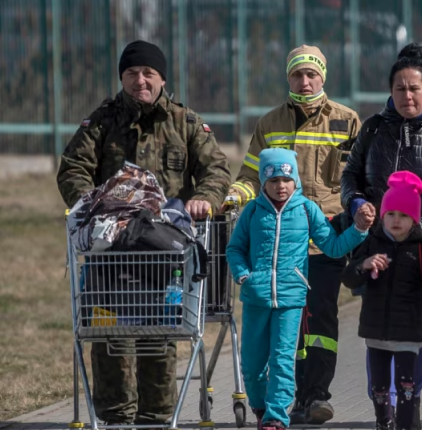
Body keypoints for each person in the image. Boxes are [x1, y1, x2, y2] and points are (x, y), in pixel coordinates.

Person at [56, 40, 232, 426]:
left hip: (163, 250)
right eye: (132, 73)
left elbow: (217, 170)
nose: (140, 80)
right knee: (108, 331)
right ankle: (115, 417)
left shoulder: (185, 123)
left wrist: (203, 198)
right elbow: (72, 168)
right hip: (110, 247)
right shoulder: (103, 121)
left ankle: (156, 417)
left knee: (160, 331)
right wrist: (92, 203)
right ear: (122, 77)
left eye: (148, 73)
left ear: (162, 78)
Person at [227, 44, 362, 425]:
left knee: (320, 322)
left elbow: (359, 179)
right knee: (286, 331)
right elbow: (251, 175)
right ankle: (290, 398)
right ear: (288, 77)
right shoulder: (269, 124)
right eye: (297, 75)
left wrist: (357, 219)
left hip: (324, 239)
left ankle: (316, 395)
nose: (305, 82)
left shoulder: (348, 120)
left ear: (323, 77)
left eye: (312, 74)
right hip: (277, 249)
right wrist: (235, 196)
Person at [341, 42, 422, 428]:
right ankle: (385, 405)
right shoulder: (375, 128)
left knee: (413, 327)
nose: (407, 96)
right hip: (376, 245)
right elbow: (350, 177)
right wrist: (357, 203)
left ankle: (406, 403)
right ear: (390, 91)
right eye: (400, 89)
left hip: (419, 251)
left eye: (415, 88)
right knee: (378, 326)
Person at [226, 148, 374, 430]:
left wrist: (358, 229)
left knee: (282, 359)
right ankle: (259, 405)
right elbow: (235, 249)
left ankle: (275, 417)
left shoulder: (307, 210)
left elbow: (333, 246)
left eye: (286, 179)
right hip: (255, 298)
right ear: (263, 183)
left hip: (292, 299)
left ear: (296, 181)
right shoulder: (253, 212)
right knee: (253, 365)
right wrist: (244, 275)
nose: (280, 186)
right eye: (273, 181)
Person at [342, 171, 422, 430]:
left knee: (407, 388)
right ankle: (383, 423)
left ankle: (407, 425)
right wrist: (363, 264)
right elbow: (349, 277)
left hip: (409, 333)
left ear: (414, 219)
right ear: (383, 215)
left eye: (404, 215)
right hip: (376, 332)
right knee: (380, 388)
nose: (396, 220)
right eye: (391, 214)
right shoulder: (372, 242)